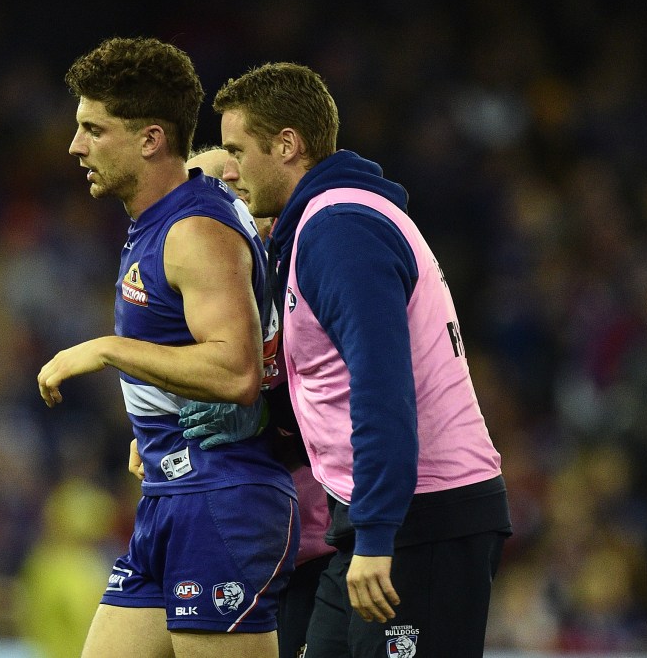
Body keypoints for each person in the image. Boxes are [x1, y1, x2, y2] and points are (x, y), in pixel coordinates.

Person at [205, 62, 513, 657]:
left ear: (287, 144)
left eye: (238, 149)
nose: (232, 170)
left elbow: (380, 386)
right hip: (377, 518)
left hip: (420, 521)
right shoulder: (316, 229)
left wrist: (376, 537)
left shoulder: (339, 230)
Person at [36, 38, 297, 658]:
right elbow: (206, 161)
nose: (77, 147)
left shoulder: (194, 233)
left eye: (93, 130)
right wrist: (153, 413)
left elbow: (234, 368)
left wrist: (109, 350)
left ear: (150, 139)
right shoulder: (169, 214)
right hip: (167, 493)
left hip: (221, 498)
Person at [182, 147, 336, 658]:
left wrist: (268, 417)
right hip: (243, 537)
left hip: (323, 540)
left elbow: (341, 393)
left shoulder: (305, 260)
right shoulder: (199, 278)